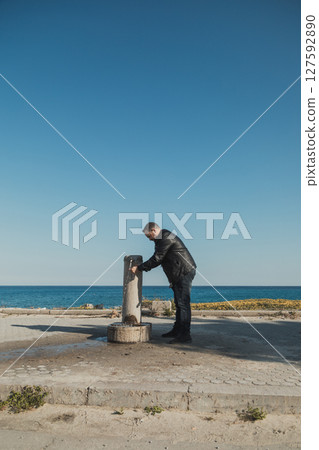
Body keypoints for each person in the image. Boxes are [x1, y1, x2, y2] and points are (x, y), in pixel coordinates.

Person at [130, 222, 196, 343]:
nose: (150, 240)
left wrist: (140, 268)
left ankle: (185, 335)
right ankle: (177, 330)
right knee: (179, 304)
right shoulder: (164, 236)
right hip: (179, 274)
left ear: (154, 230)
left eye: (149, 236)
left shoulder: (165, 237)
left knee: (183, 304)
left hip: (184, 272)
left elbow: (157, 258)